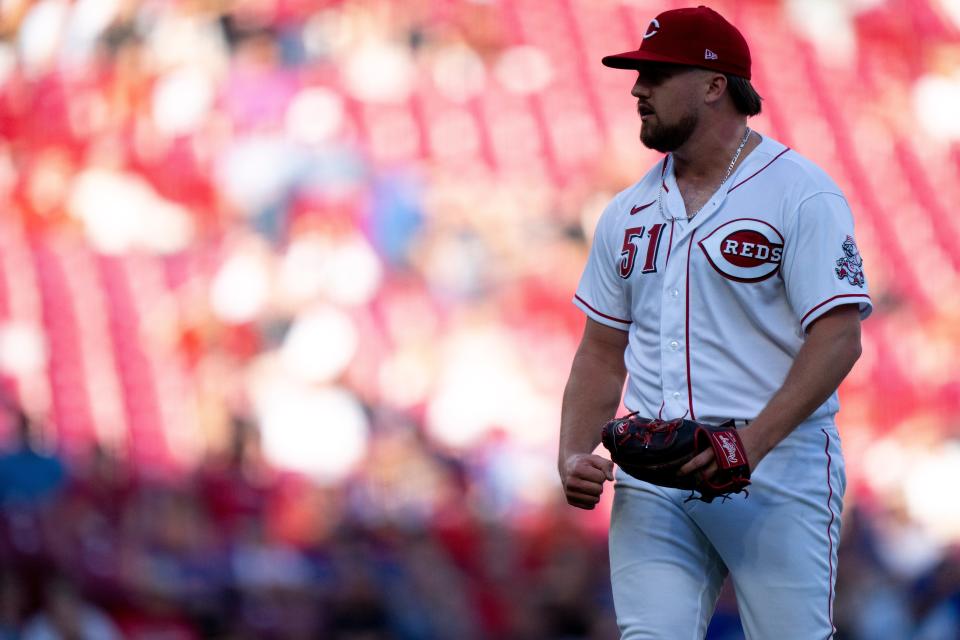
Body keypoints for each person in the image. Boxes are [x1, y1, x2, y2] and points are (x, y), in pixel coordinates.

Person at [557, 6, 872, 639]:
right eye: (638, 74)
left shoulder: (799, 192)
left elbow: (838, 337)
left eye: (656, 73)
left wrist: (749, 444)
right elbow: (599, 351)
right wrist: (572, 450)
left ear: (713, 83)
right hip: (653, 471)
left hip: (778, 467)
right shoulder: (626, 211)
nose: (637, 89)